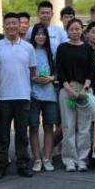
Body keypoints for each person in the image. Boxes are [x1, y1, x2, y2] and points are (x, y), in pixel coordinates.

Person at [0, 13, 37, 178]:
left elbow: (32, 71)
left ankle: (23, 164)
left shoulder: (28, 47)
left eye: (14, 23)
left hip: (22, 96)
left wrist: (26, 88)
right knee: (1, 134)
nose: (11, 26)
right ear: (4, 26)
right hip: (3, 97)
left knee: (22, 134)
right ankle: (2, 164)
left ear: (20, 26)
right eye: (8, 23)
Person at [56, 18, 95, 172]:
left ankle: (82, 159)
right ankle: (69, 160)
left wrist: (85, 88)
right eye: (71, 29)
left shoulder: (88, 48)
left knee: (84, 127)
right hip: (67, 89)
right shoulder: (62, 48)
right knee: (68, 126)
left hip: (84, 89)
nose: (75, 31)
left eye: (77, 29)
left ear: (82, 30)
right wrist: (69, 89)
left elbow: (91, 70)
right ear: (67, 31)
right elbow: (60, 71)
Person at [28, 23, 58, 173]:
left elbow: (58, 72)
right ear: (33, 36)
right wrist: (33, 78)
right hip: (33, 94)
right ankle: (37, 159)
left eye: (43, 34)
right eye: (38, 34)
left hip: (49, 95)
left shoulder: (51, 52)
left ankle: (46, 158)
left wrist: (51, 78)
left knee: (49, 126)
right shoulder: (29, 50)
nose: (40, 37)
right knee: (33, 126)